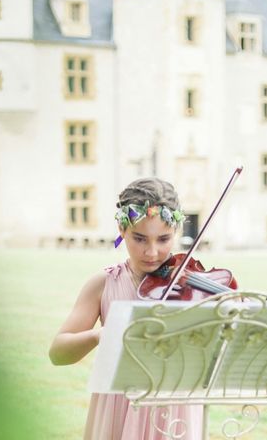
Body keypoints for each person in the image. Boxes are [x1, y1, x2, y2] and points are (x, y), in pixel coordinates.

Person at [49, 177, 203, 439]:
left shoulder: (193, 285)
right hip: (118, 408)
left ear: (176, 233)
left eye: (164, 239)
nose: (152, 252)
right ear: (122, 230)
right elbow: (58, 353)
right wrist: (99, 335)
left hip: (176, 413)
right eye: (140, 239)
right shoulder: (104, 283)